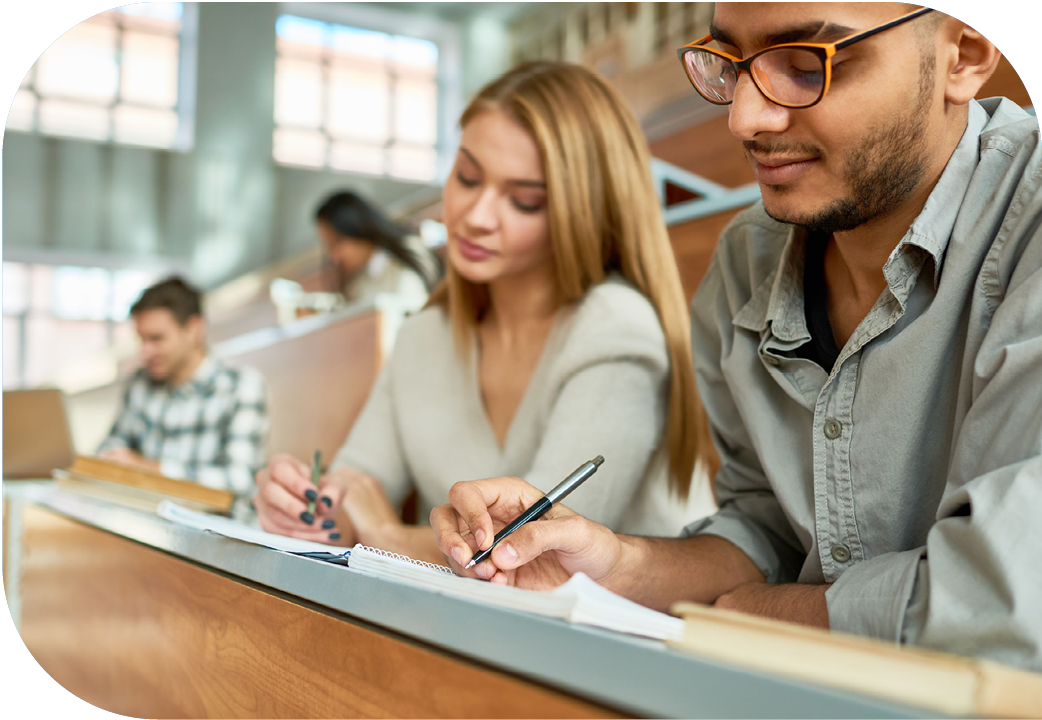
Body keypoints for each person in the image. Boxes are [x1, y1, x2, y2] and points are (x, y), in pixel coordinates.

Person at [432, 2, 1042, 670]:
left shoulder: (1028, 231)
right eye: (733, 65)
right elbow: (765, 532)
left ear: (966, 54)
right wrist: (611, 561)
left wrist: (776, 612)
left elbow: (1011, 599)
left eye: (808, 65)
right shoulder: (746, 261)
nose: (744, 119)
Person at [253, 61, 714, 563]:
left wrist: (384, 535)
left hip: (629, 632)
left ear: (583, 211)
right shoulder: (425, 335)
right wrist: (306, 506)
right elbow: (355, 487)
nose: (474, 217)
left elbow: (533, 555)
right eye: (467, 177)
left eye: (523, 201)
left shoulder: (616, 329)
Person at [98, 277, 269, 499]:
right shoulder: (139, 383)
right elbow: (112, 446)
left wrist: (150, 469)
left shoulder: (242, 386)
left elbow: (240, 480)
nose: (145, 352)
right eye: (142, 340)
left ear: (193, 329)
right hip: (147, 516)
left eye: (156, 339)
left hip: (213, 526)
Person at [314, 190, 443, 311]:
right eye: (329, 247)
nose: (334, 256)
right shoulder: (358, 282)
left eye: (337, 242)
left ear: (357, 227)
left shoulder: (408, 255)